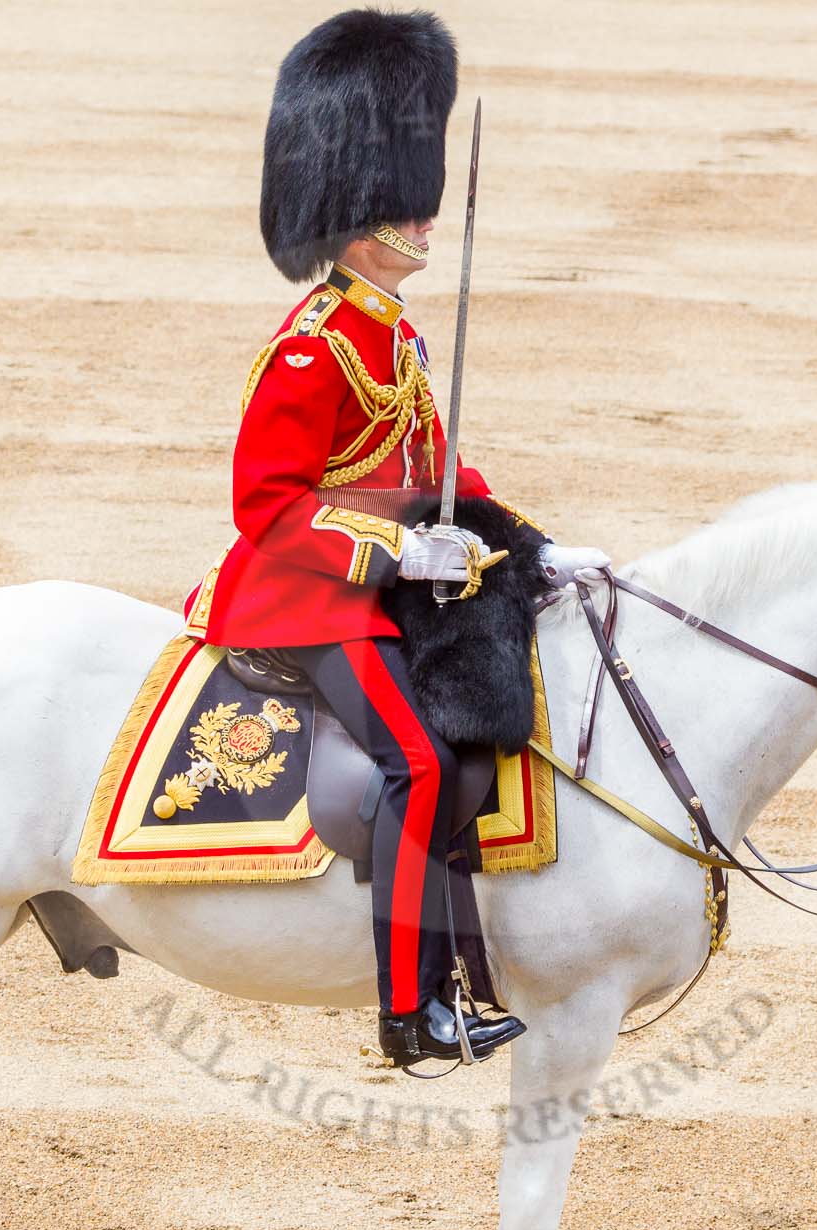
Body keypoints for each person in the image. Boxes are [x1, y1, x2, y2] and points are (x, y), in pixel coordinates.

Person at [180, 9, 609, 1068]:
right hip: (303, 598)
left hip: (381, 588)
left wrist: (523, 542)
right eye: (405, 215)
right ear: (359, 224)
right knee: (416, 761)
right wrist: (390, 552)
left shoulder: (388, 334)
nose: (425, 227)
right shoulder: (312, 350)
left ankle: (467, 969)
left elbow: (431, 469)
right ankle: (410, 1013)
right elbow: (268, 506)